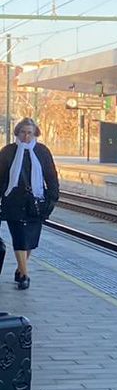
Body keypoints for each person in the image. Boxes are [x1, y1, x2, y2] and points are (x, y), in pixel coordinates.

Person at [0, 118, 59, 290]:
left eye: (29, 132)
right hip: (13, 200)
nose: (26, 136)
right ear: (17, 133)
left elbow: (51, 176)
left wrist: (53, 197)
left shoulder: (42, 152)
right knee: (19, 238)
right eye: (23, 132)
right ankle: (24, 276)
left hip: (36, 202)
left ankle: (20, 269)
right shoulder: (8, 151)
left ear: (35, 134)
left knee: (31, 240)